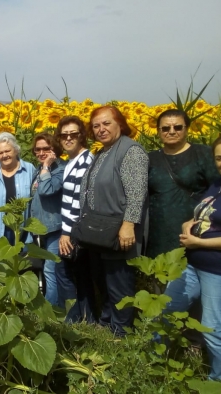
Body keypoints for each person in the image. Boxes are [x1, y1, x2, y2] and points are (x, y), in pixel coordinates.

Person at [79, 105, 148, 337]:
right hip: (101, 232)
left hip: (119, 231)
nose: (101, 129)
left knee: (119, 285)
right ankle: (108, 324)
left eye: (107, 123)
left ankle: (121, 333)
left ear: (120, 124)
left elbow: (137, 193)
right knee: (105, 282)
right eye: (96, 125)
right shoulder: (102, 152)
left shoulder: (130, 151)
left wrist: (128, 225)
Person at [166, 136, 221, 380]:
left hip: (215, 269)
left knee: (212, 328)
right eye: (219, 157)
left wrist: (199, 242)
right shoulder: (217, 184)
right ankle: (150, 360)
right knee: (166, 309)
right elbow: (205, 213)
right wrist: (190, 223)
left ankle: (216, 379)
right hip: (192, 264)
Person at [147, 109, 219, 258]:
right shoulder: (150, 159)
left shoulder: (203, 154)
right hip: (158, 233)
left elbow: (217, 189)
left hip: (194, 231)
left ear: (187, 129)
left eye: (178, 127)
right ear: (158, 131)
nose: (171, 131)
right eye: (165, 128)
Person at [54, 116, 95, 323]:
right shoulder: (72, 161)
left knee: (66, 272)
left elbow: (78, 202)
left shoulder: (85, 161)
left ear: (82, 136)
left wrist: (67, 233)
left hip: (76, 230)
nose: (68, 138)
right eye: (64, 135)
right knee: (79, 274)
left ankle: (74, 319)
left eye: (73, 134)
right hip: (74, 229)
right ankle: (85, 318)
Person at [0, 132, 36, 245]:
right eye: (0, 153)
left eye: (7, 151)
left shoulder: (29, 169)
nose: (4, 155)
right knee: (0, 260)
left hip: (23, 229)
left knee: (21, 261)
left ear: (16, 150)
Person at [29, 133, 66, 307]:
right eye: (38, 149)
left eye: (46, 148)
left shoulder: (60, 169)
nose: (42, 152)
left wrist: (46, 167)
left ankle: (52, 310)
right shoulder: (38, 169)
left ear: (54, 149)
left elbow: (46, 191)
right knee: (44, 269)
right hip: (41, 229)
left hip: (56, 228)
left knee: (51, 270)